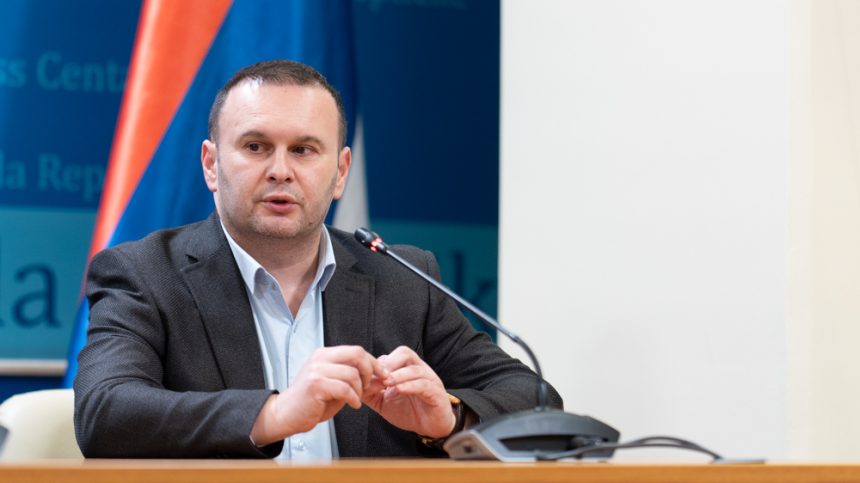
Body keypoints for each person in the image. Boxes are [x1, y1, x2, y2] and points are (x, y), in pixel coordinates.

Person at [73, 60, 561, 459]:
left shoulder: (402, 278)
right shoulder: (145, 274)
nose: (280, 170)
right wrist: (275, 414)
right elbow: (104, 413)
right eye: (256, 146)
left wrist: (449, 417)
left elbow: (536, 402)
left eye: (304, 150)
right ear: (211, 164)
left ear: (340, 171)